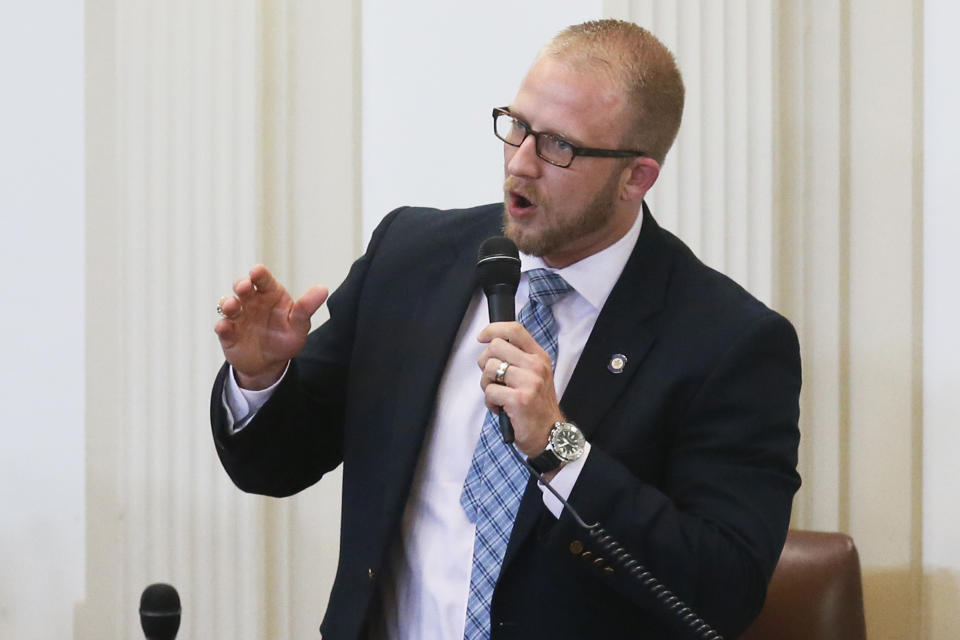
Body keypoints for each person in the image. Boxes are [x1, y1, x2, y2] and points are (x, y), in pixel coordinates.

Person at [211, 19, 801, 640]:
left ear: (637, 178)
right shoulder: (411, 259)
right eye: (516, 125)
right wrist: (261, 375)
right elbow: (275, 466)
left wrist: (560, 444)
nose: (520, 164)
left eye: (559, 147)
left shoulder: (727, 342)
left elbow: (725, 588)